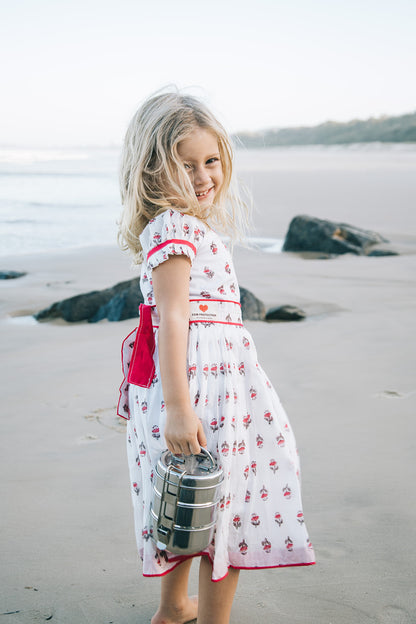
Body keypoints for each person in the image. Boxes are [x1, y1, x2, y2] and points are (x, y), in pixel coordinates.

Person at [117, 90, 315, 624]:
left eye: (211, 161)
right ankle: (208, 619)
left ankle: (175, 608)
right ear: (154, 171)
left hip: (212, 377)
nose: (204, 176)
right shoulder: (176, 229)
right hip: (200, 385)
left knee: (189, 497)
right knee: (230, 501)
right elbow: (172, 318)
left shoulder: (183, 229)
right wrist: (181, 407)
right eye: (186, 165)